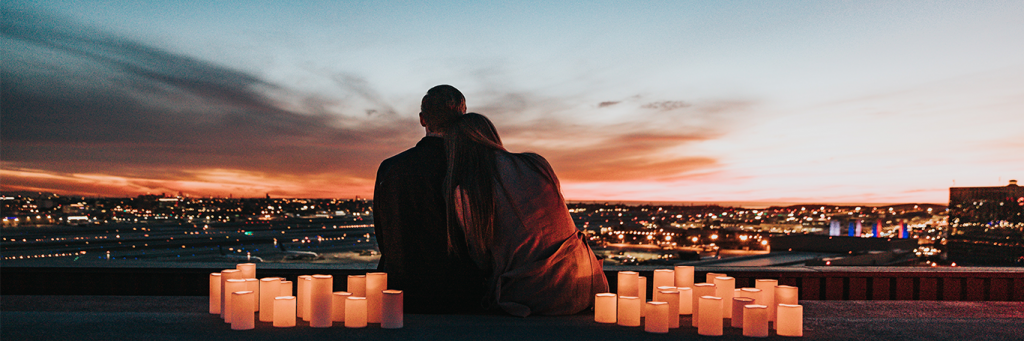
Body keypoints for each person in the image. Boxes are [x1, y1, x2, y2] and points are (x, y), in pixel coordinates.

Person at [443, 113, 609, 317]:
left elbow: (481, 260)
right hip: (587, 285)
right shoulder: (536, 163)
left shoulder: (467, 191)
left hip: (532, 297)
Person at [373, 85, 484, 313]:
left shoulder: (390, 169)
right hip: (460, 296)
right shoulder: (473, 168)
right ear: (462, 118)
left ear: (422, 119)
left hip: (400, 293)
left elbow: (385, 238)